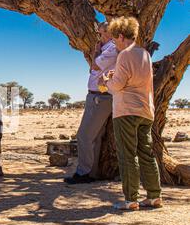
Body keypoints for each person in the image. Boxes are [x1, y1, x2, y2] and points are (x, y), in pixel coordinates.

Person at [102, 16, 162, 210]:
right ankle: (154, 196)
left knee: (127, 155)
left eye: (114, 39)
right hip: (145, 110)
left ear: (120, 35)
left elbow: (118, 85)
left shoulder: (125, 55)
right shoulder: (144, 54)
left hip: (126, 110)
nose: (114, 43)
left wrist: (106, 81)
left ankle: (131, 200)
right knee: (146, 152)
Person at [64, 22, 118, 184]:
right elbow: (93, 69)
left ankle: (83, 172)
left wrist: (96, 51)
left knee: (84, 135)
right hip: (98, 96)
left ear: (109, 33)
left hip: (100, 96)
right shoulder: (107, 48)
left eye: (100, 33)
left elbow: (94, 65)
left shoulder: (111, 48)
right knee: (95, 136)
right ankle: (90, 172)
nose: (99, 37)